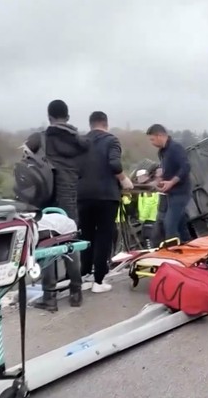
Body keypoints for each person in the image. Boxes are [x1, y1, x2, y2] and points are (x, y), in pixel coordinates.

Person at [27, 99, 90, 310]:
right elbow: (84, 170)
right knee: (71, 242)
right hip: (70, 197)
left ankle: (50, 297)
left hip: (47, 198)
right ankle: (76, 292)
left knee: (47, 243)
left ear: (49, 117)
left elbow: (28, 168)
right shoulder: (81, 143)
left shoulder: (40, 139)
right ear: (68, 117)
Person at [77, 111, 133, 294]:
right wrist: (124, 180)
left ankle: (85, 276)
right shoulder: (111, 140)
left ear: (91, 124)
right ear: (106, 124)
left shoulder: (81, 142)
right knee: (103, 236)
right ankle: (99, 281)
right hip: (106, 196)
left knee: (85, 235)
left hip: (83, 195)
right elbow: (115, 164)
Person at [147, 124, 192, 242]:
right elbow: (165, 170)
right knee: (181, 227)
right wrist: (158, 180)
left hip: (181, 193)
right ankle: (190, 248)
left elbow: (186, 167)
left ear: (160, 135)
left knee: (169, 225)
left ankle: (173, 254)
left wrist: (172, 182)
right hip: (170, 195)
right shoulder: (161, 152)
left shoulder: (175, 148)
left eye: (152, 139)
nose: (151, 143)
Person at [135, 169, 160, 249]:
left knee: (148, 239)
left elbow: (148, 204)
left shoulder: (147, 189)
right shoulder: (151, 187)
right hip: (155, 217)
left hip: (150, 219)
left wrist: (142, 218)